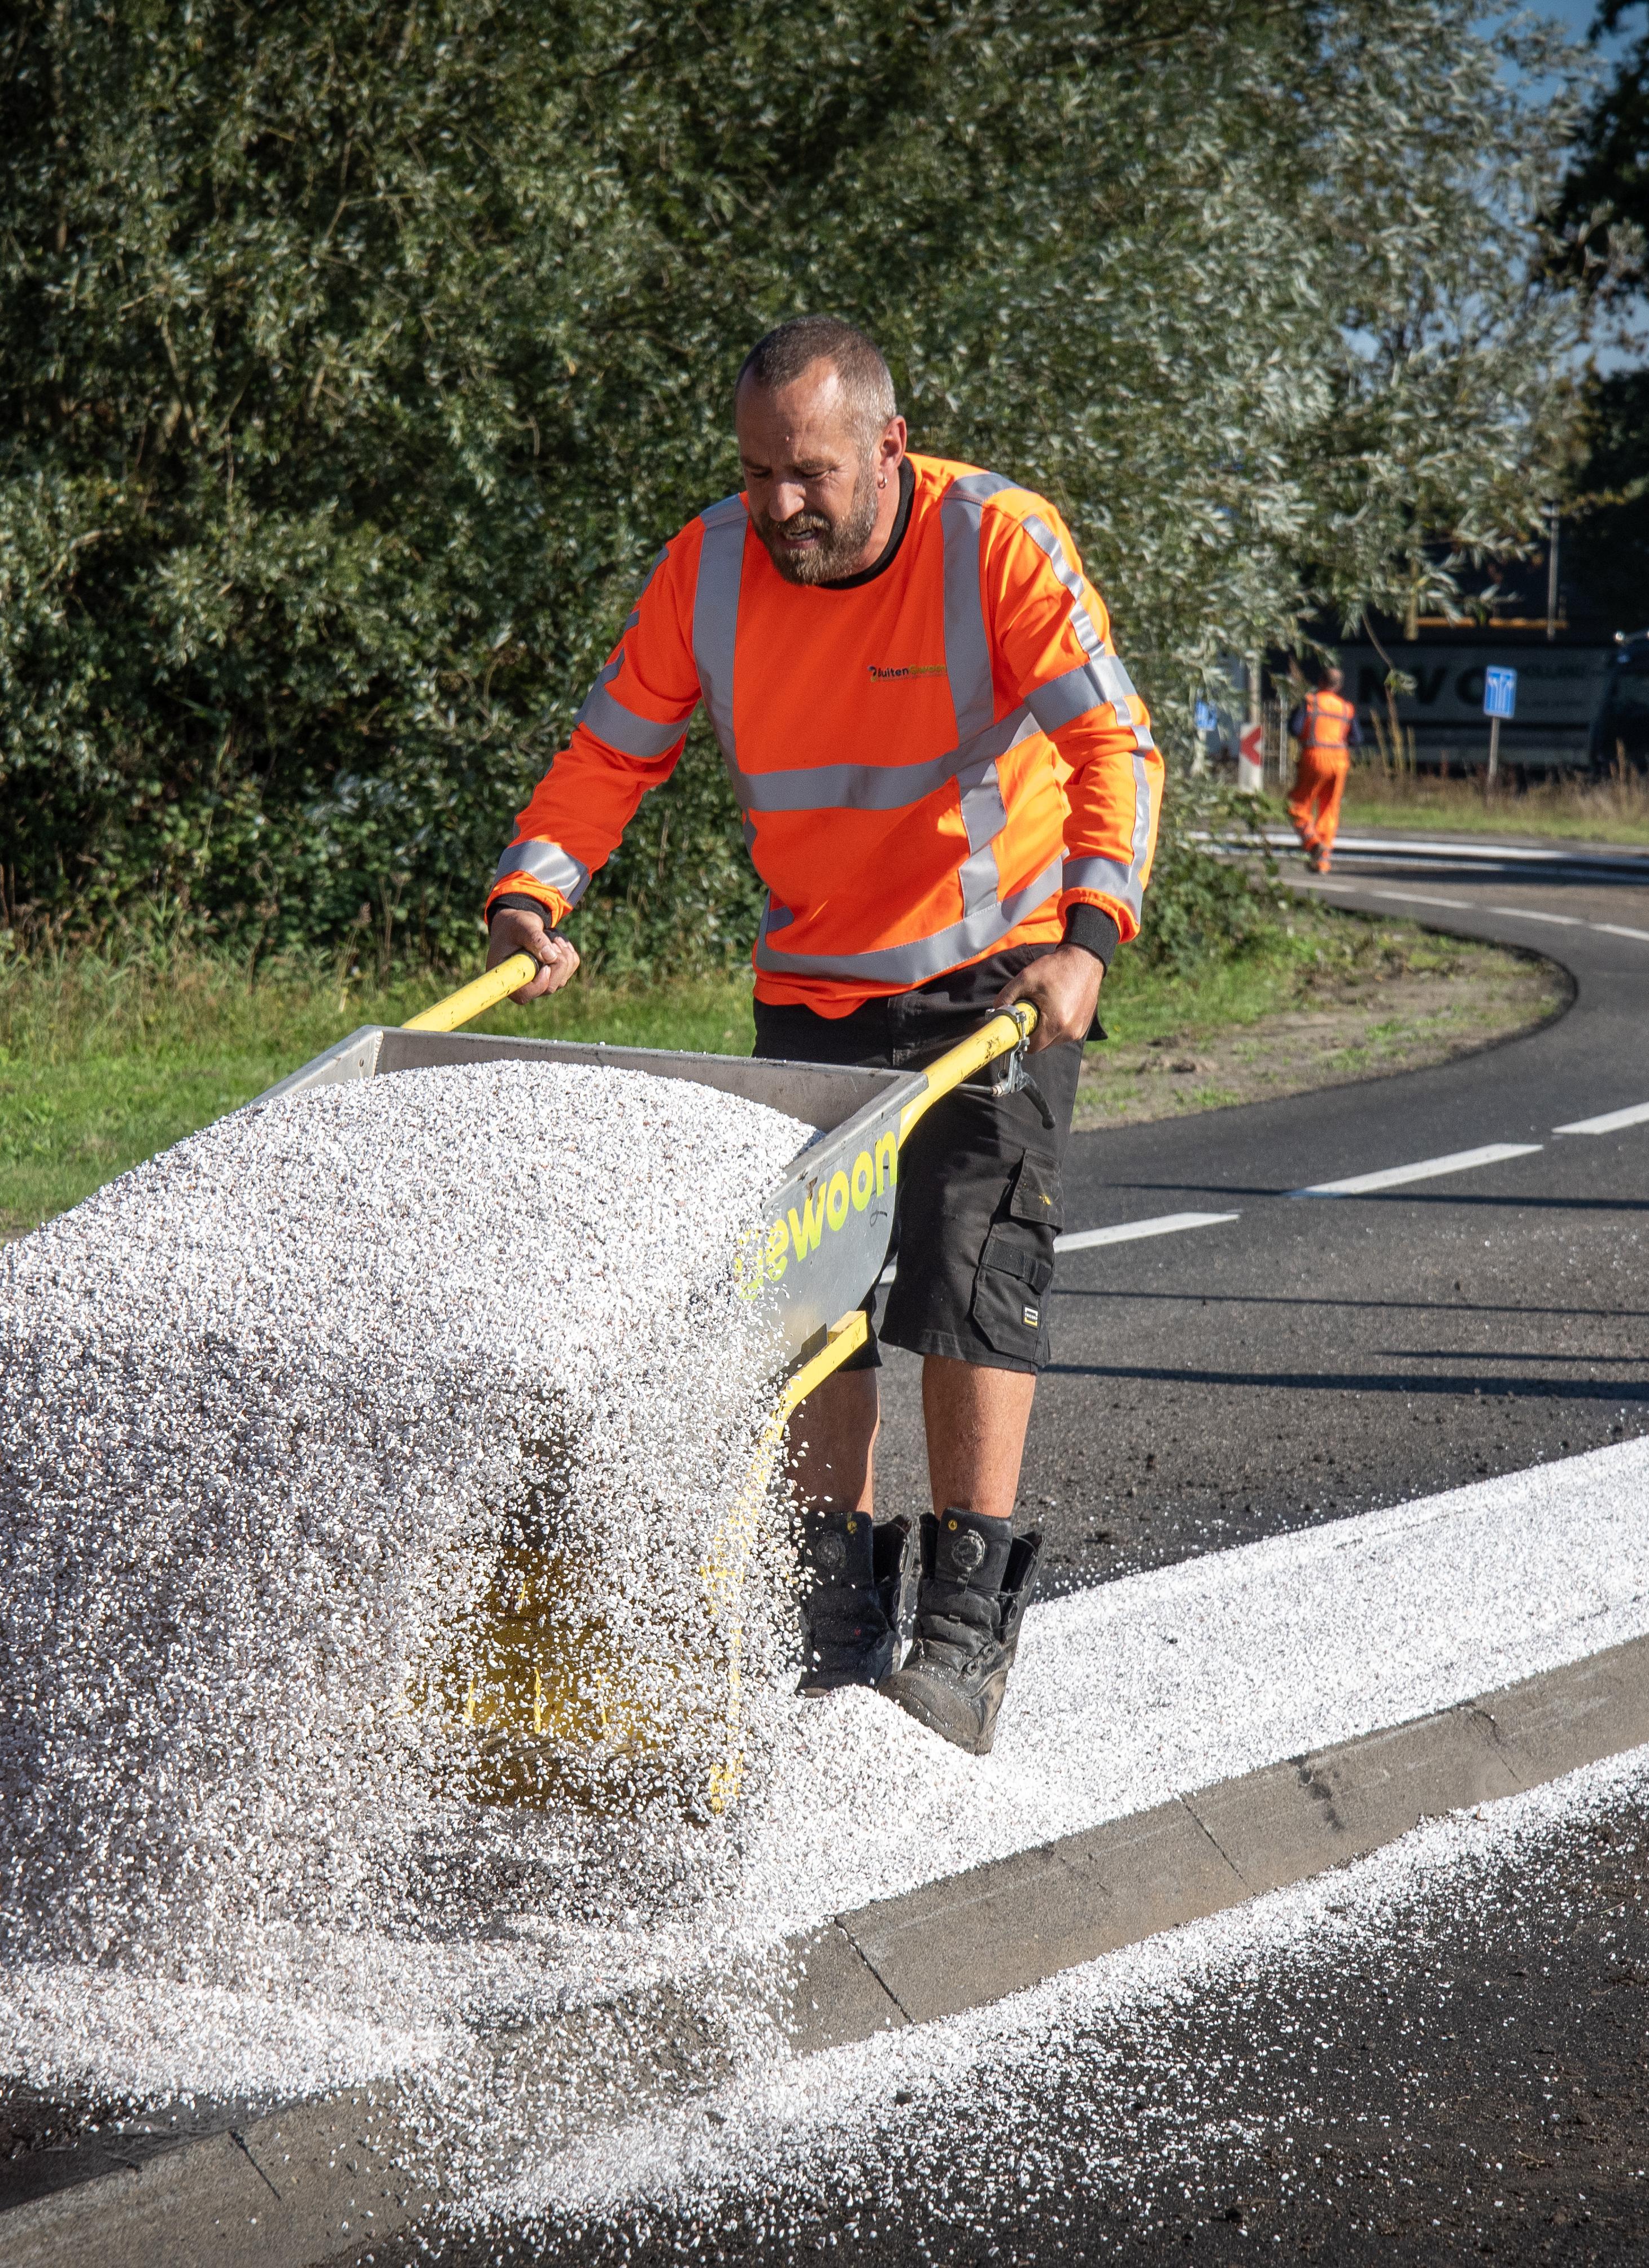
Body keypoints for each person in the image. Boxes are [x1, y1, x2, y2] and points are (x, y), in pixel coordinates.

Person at [478, 315, 1163, 1754]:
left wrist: (1085, 938)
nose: (776, 506)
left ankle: (965, 1617)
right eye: (754, 474)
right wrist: (536, 886)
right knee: (822, 1305)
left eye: (807, 474)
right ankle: (834, 1607)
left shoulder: (996, 545)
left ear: (887, 448)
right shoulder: (707, 565)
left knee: (972, 1275)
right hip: (812, 980)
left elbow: (1114, 744)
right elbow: (615, 745)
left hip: (994, 979)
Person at [1288, 656, 1356, 873]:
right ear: (1340, 686)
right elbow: (1357, 738)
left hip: (1315, 758)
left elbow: (1295, 729)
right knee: (1329, 810)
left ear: (1320, 681)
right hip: (1340, 761)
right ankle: (1322, 862)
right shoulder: (1346, 708)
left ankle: (1313, 844)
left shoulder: (1310, 702)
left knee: (1297, 805)